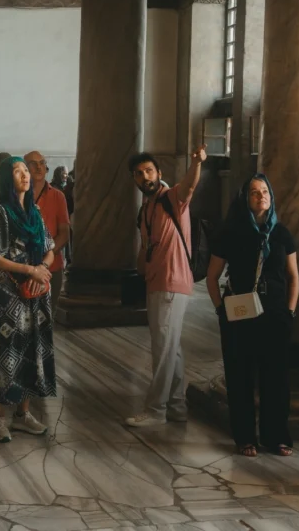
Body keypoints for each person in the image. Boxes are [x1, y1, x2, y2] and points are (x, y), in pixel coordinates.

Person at [205, 174, 299, 457]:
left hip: (274, 314)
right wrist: (221, 310)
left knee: (276, 378)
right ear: (245, 198)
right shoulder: (230, 232)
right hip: (239, 312)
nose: (261, 197)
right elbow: (212, 277)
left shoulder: (281, 233)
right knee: (240, 376)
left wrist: (290, 311)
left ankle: (276, 436)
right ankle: (245, 436)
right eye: (255, 192)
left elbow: (294, 276)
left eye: (265, 192)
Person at [125, 146, 207, 428]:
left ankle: (156, 409)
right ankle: (177, 406)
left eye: (149, 171)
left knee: (162, 348)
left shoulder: (171, 197)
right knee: (171, 346)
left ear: (159, 173)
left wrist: (196, 162)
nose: (144, 176)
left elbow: (189, 186)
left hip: (171, 282)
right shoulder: (147, 205)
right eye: (138, 174)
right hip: (156, 281)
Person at [0, 156, 56, 443]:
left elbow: (50, 247)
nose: (25, 175)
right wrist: (30, 269)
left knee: (32, 350)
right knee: (6, 351)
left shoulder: (35, 212)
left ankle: (24, 414)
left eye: (26, 170)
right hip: (9, 296)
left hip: (36, 294)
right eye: (17, 171)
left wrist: (44, 269)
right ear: (6, 179)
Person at [24, 151, 70, 309]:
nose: (38, 167)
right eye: (33, 163)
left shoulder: (58, 196)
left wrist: (44, 261)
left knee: (47, 319)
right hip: (23, 267)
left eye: (42, 163)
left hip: (51, 267)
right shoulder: (19, 196)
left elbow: (64, 233)